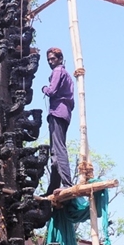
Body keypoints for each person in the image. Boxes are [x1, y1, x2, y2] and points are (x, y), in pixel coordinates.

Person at [41, 47, 75, 195]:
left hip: (58, 112)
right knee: (55, 149)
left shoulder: (58, 71)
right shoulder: (65, 74)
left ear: (60, 59)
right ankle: (53, 187)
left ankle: (67, 183)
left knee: (58, 148)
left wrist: (44, 88)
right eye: (48, 59)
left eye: (53, 58)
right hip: (64, 113)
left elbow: (52, 90)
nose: (50, 62)